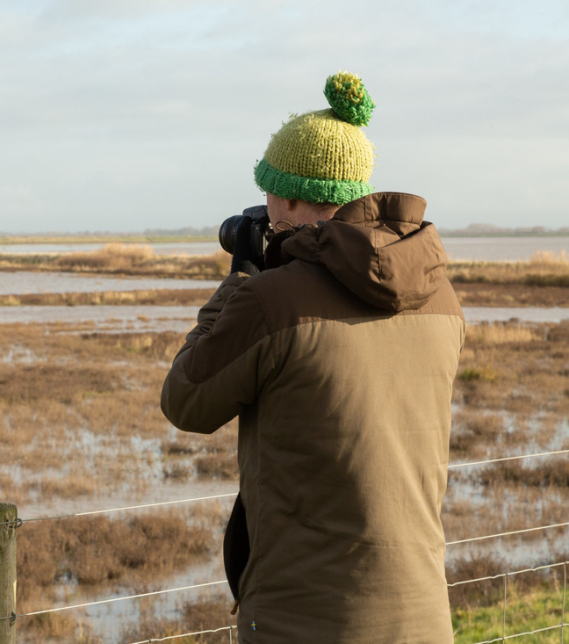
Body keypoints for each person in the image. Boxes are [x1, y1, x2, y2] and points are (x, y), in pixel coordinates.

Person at [160, 72, 465, 643]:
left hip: (300, 623)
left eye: (270, 191)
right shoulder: (440, 296)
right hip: (423, 617)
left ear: (294, 199)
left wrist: (239, 283)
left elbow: (184, 400)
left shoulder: (268, 300)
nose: (266, 205)